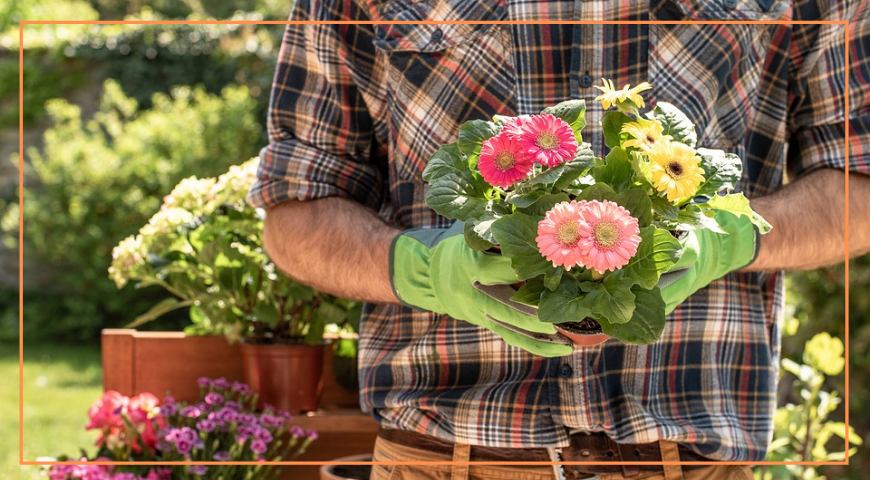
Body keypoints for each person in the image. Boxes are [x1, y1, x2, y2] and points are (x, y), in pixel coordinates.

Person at [248, 1, 870, 478]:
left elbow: (857, 185)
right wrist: (420, 267)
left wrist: (733, 235)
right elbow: (296, 208)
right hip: (445, 455)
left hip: (692, 458)